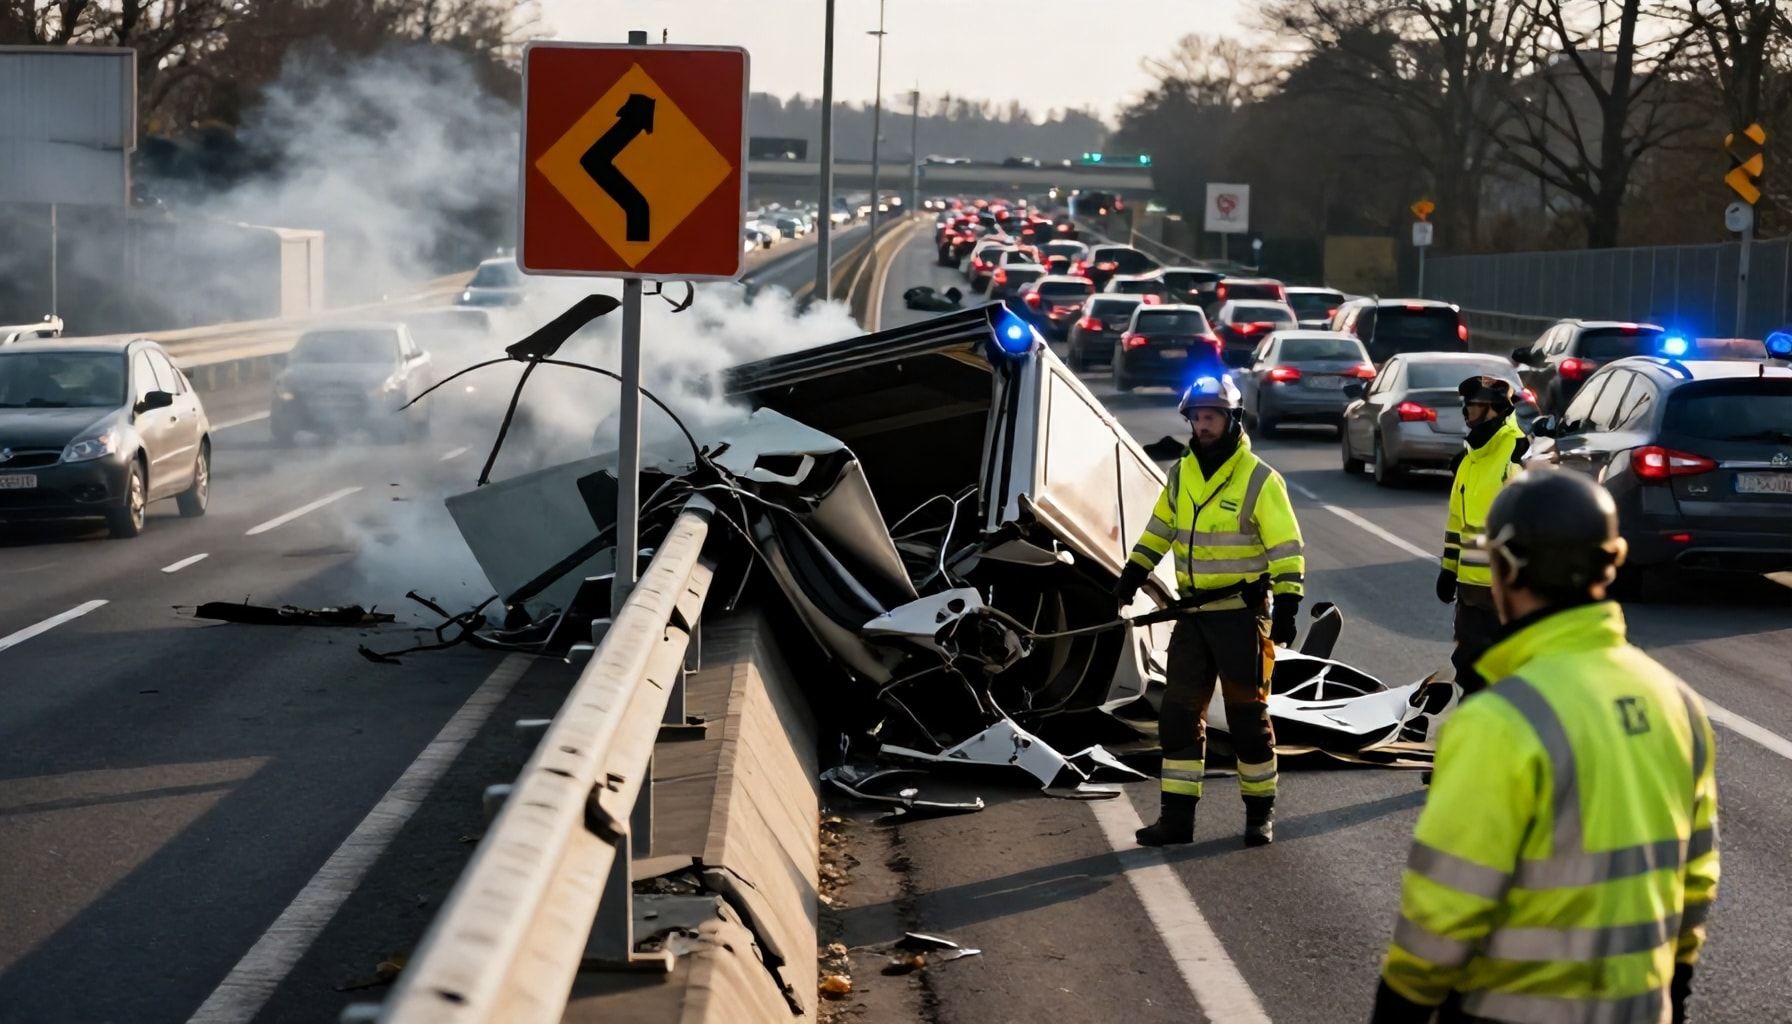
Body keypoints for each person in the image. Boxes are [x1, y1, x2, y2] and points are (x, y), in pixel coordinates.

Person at [1372, 469, 1719, 1024]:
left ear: (1509, 568)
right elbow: (1695, 877)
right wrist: (1674, 990)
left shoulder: (1498, 721)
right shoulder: (1677, 703)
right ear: (1611, 562)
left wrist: (1400, 1006)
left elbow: (1446, 905)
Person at [1114, 373, 1305, 848]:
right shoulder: (1181, 474)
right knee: (1178, 718)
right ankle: (1177, 821)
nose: (1202, 425)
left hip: (1240, 619)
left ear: (1232, 419)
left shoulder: (1260, 478)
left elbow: (1286, 549)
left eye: (1211, 417)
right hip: (1193, 618)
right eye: (1197, 417)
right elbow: (1160, 528)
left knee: (1247, 721)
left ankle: (1259, 815)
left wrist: (1288, 603)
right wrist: (1133, 571)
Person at [1436, 376, 1527, 695]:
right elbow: (1457, 523)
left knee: (1498, 673)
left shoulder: (1516, 452)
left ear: (1494, 409)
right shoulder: (1469, 459)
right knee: (1468, 669)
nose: (1465, 412)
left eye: (1471, 405)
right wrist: (1448, 570)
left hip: (1505, 590)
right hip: (1471, 592)